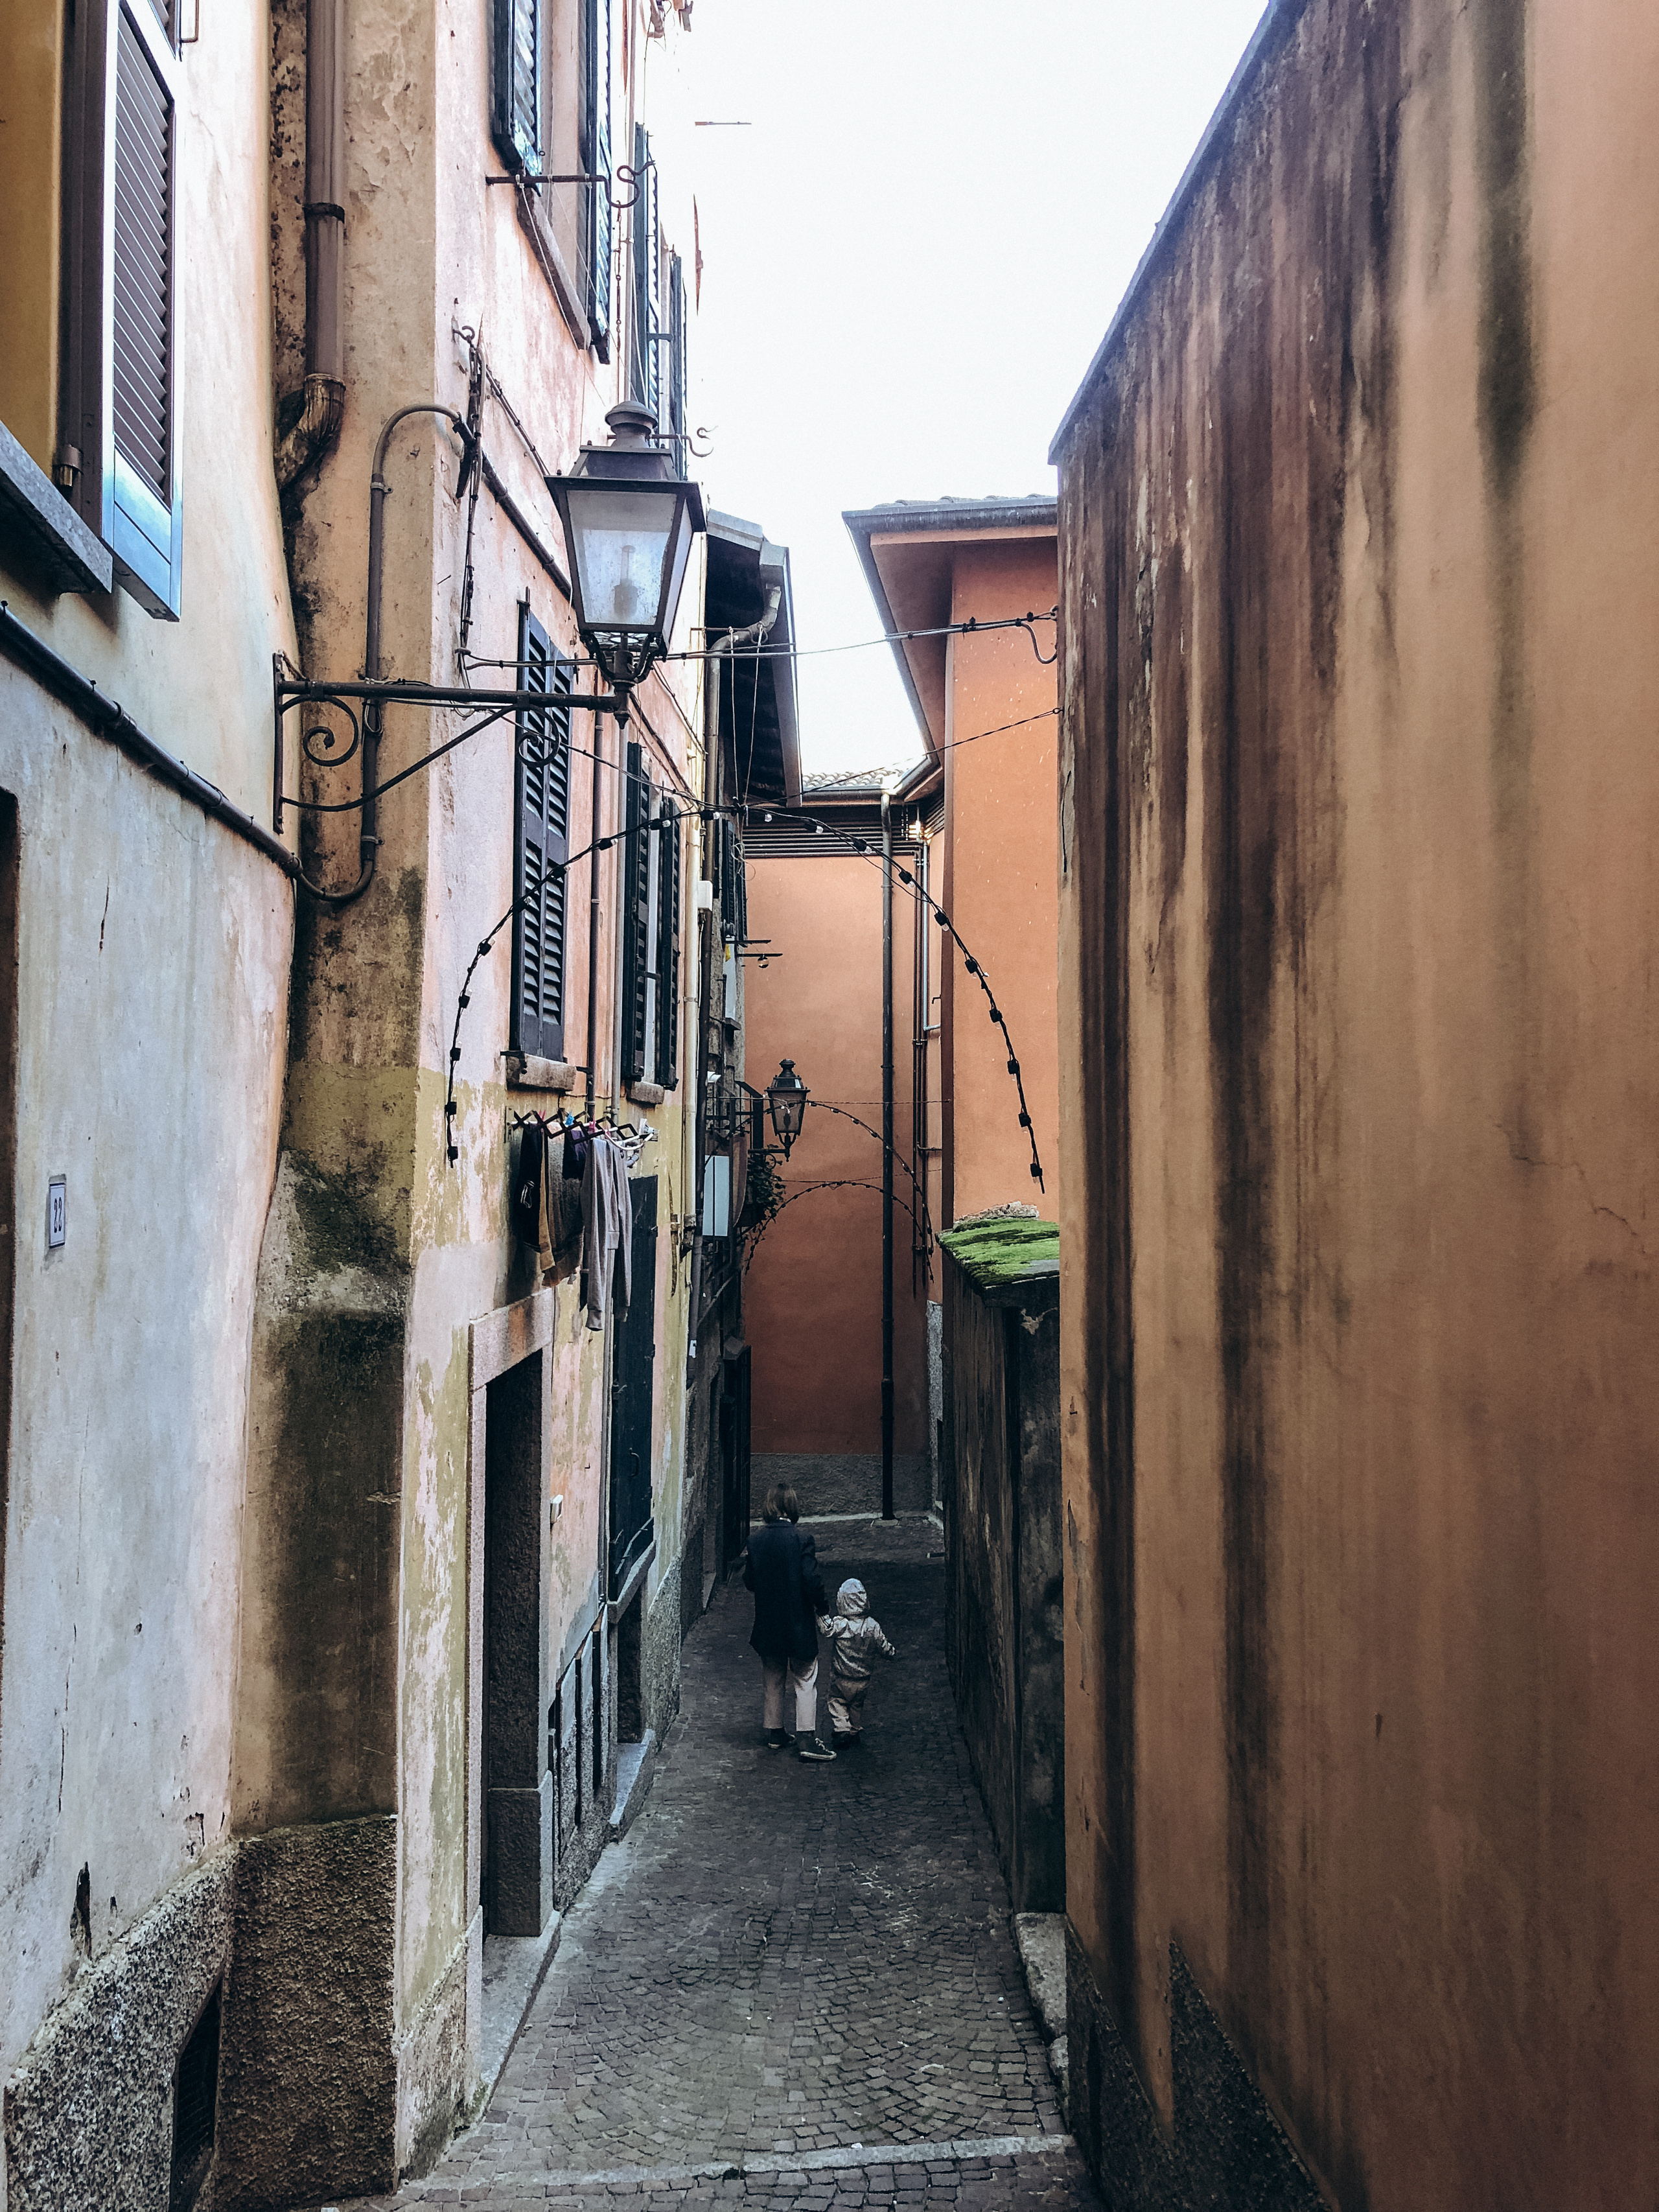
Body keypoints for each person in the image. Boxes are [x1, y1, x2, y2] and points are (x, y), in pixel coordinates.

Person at [745, 1482, 836, 1762]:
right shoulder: (802, 1539)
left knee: (773, 1677)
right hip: (798, 1623)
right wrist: (823, 1610)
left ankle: (775, 1733)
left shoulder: (756, 1541)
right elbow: (812, 1580)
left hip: (768, 1623)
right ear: (792, 1507)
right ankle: (807, 1739)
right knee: (805, 1677)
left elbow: (749, 1581)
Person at [817, 1577, 898, 1747]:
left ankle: (842, 1730)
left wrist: (821, 1613)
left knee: (836, 1701)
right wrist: (891, 1653)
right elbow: (883, 1646)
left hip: (841, 1677)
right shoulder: (872, 1626)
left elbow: (826, 1629)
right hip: (863, 1679)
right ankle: (854, 1731)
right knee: (856, 1705)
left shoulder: (842, 1625)